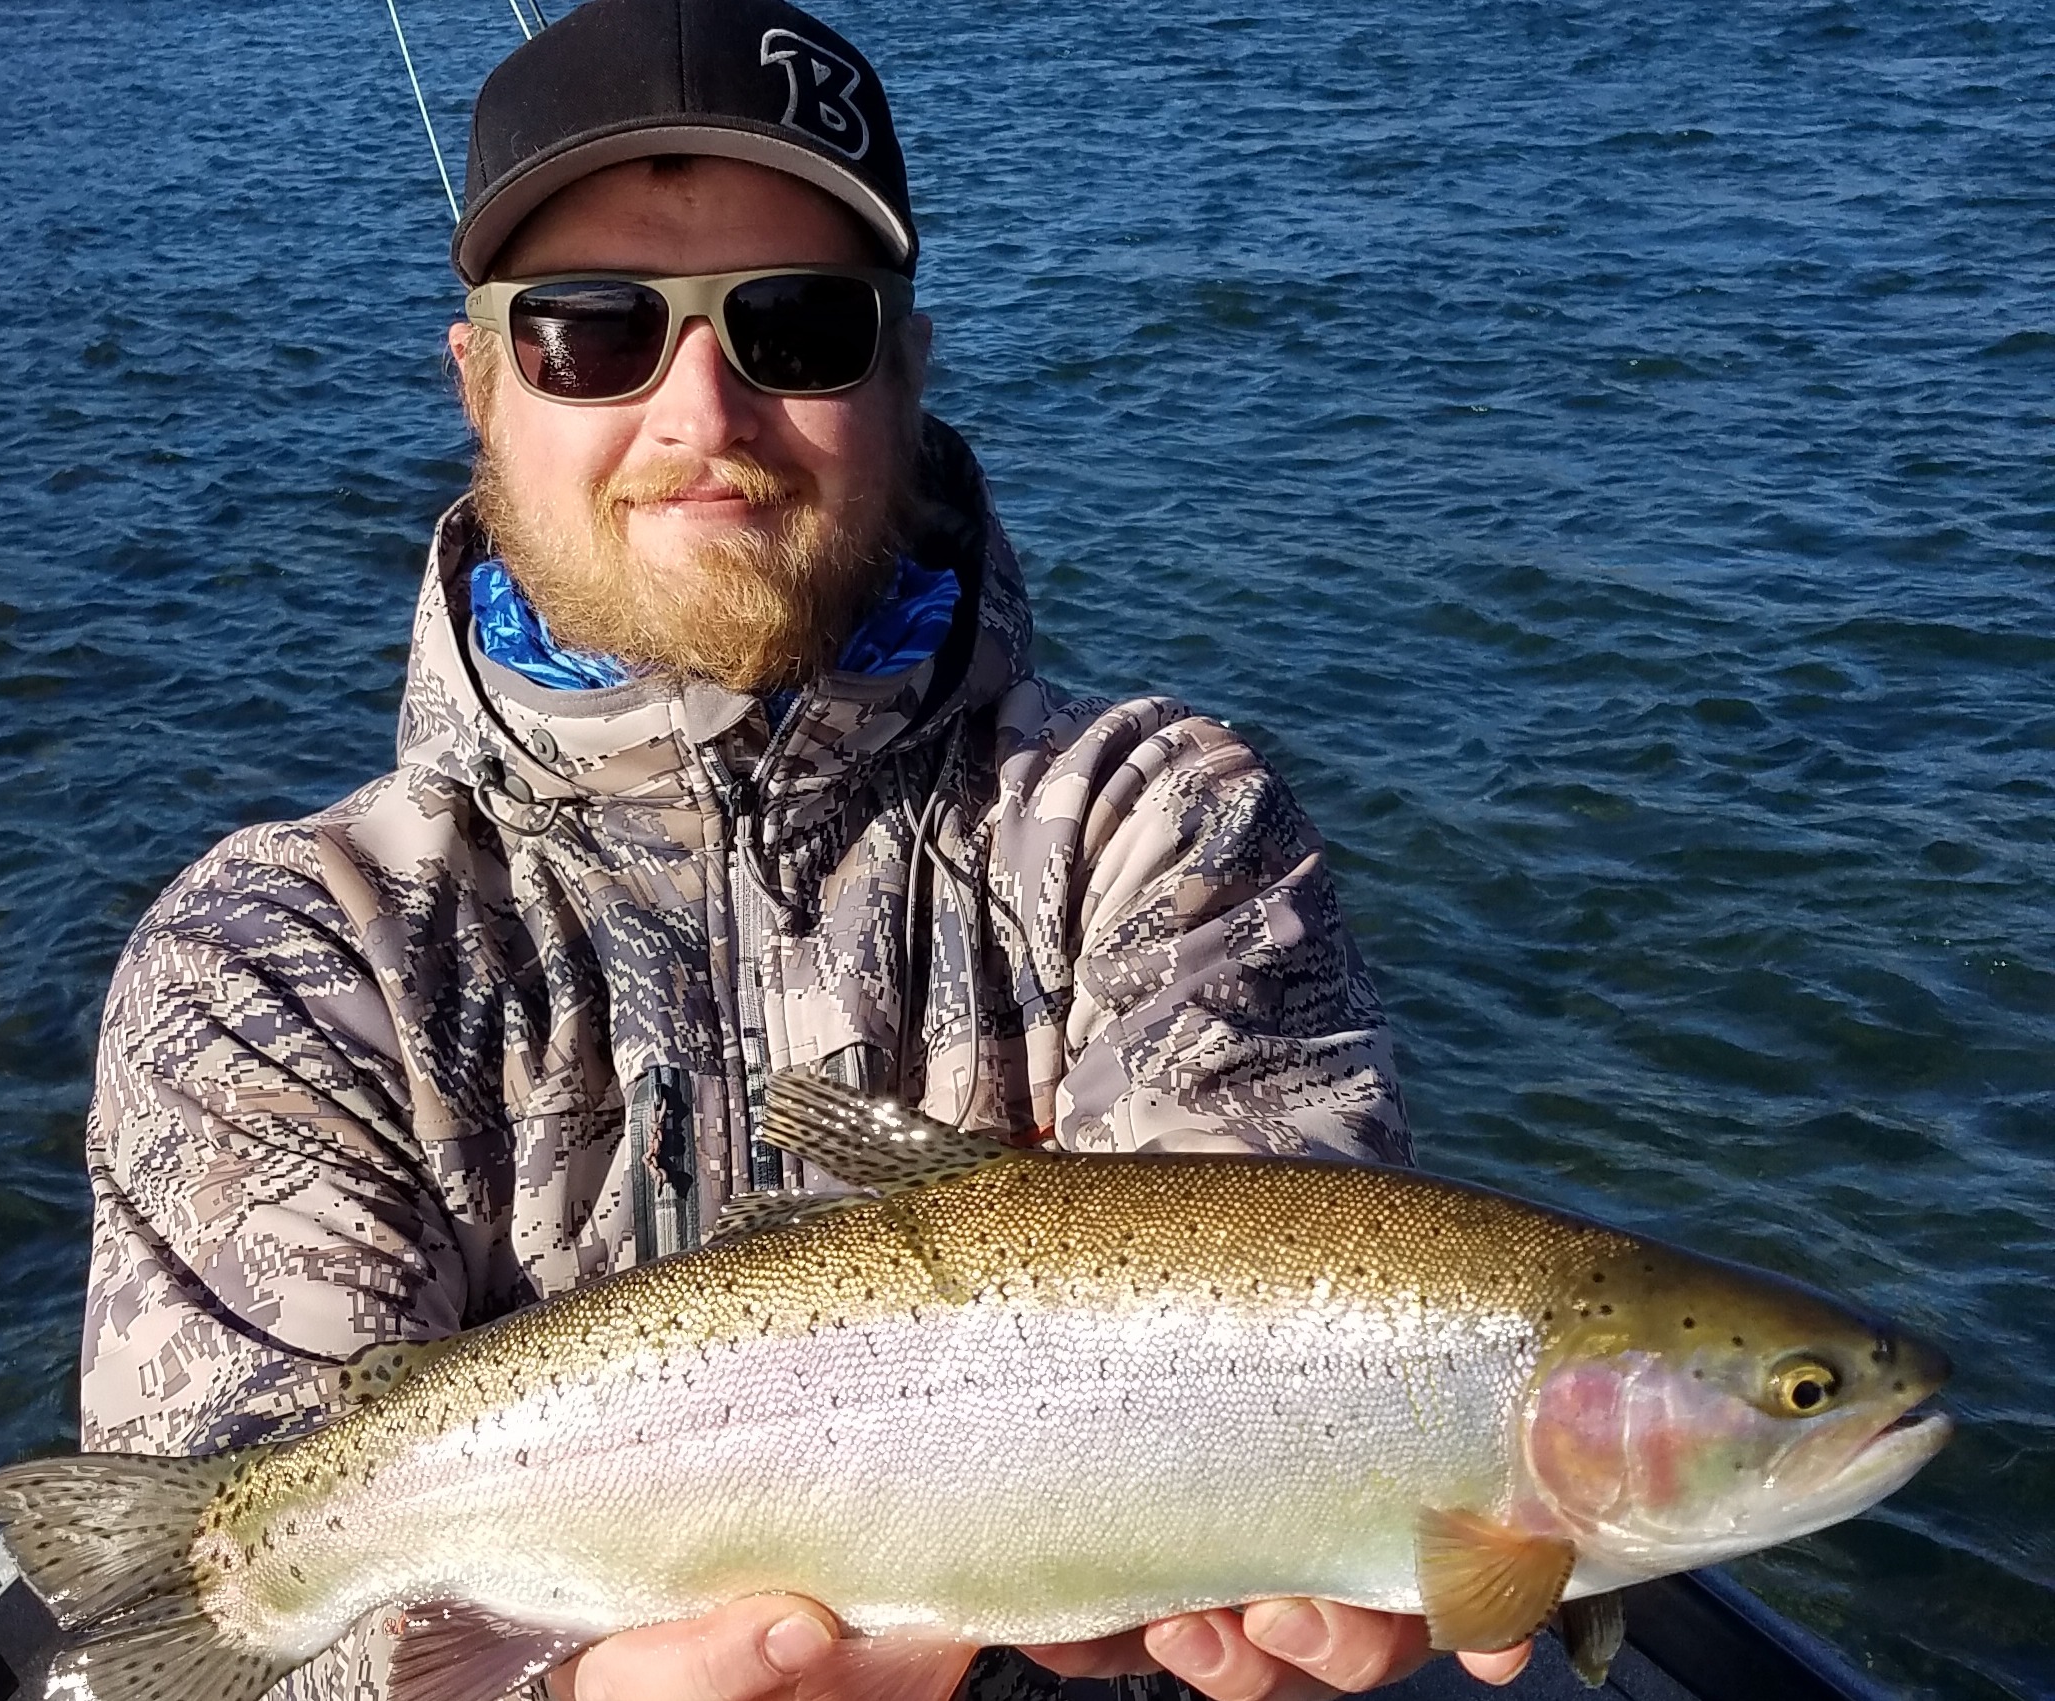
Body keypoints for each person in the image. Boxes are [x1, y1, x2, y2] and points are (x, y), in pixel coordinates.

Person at [75, 0, 1532, 1695]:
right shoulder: (280, 964)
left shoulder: (1158, 827)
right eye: (591, 329)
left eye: (798, 325)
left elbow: (1280, 1328)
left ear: (906, 368)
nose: (704, 407)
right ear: (478, 377)